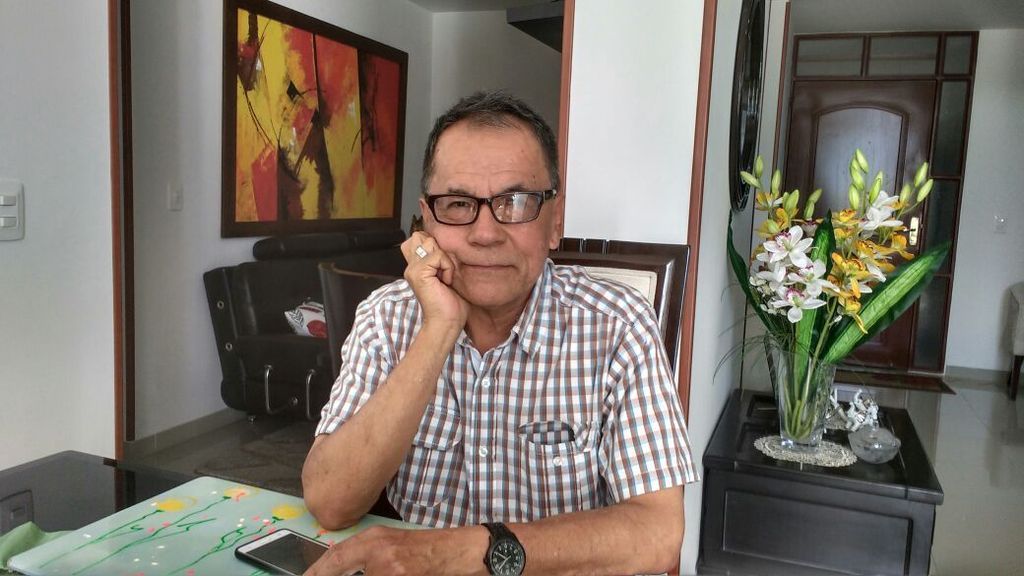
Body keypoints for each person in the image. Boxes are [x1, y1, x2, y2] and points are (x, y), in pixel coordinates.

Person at [302, 90, 698, 575]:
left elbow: (658, 533)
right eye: (457, 204)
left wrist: (472, 552)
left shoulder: (617, 325)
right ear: (426, 222)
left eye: (515, 202)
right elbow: (331, 501)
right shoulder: (386, 316)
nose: (485, 234)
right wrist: (439, 328)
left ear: (554, 221)